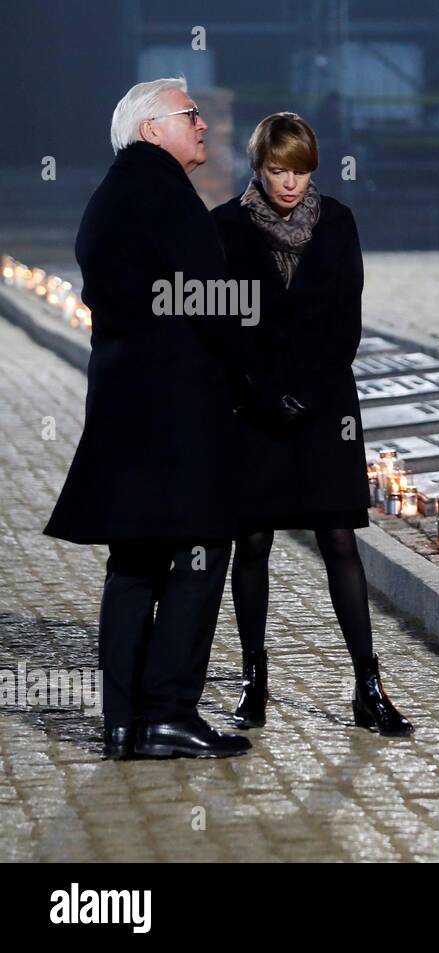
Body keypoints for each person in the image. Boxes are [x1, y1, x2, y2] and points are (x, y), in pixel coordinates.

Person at [44, 77, 252, 760]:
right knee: (201, 551)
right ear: (150, 128)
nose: (202, 126)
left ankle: (121, 722)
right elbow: (213, 303)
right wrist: (254, 375)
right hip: (179, 416)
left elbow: (99, 290)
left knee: (132, 564)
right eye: (189, 116)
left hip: (123, 407)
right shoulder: (165, 192)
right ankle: (169, 711)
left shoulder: (109, 197)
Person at [212, 113, 413, 736]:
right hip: (255, 410)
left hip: (326, 409)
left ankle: (368, 686)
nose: (290, 184)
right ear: (259, 167)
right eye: (278, 171)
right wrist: (262, 392)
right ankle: (254, 680)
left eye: (300, 172)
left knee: (341, 542)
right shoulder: (224, 226)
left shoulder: (339, 222)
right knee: (252, 543)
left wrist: (311, 391)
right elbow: (225, 322)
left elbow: (345, 321)